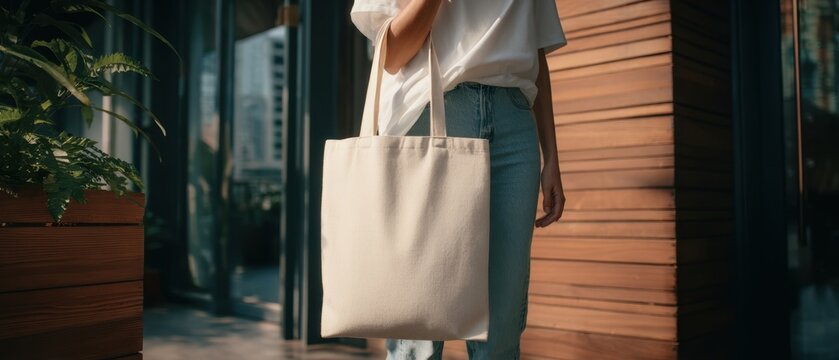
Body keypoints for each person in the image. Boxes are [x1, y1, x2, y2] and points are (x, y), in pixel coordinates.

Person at [350, 0, 567, 358]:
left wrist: (552, 155)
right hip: (431, 115)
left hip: (514, 123)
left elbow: (536, 51)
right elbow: (392, 55)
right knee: (417, 334)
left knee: (502, 324)